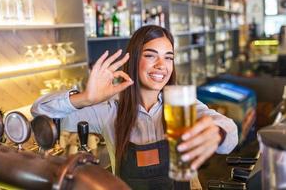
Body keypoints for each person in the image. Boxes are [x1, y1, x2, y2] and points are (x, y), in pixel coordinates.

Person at [31, 25, 238, 190]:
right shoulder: (109, 108)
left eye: (168, 57)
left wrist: (217, 133)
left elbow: (230, 131)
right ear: (133, 59)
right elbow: (40, 112)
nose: (161, 65)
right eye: (150, 55)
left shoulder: (180, 106)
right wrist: (85, 98)